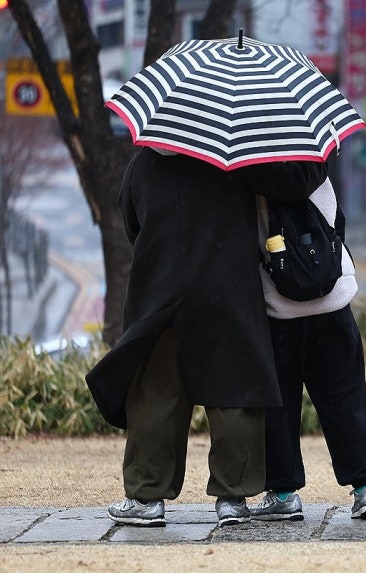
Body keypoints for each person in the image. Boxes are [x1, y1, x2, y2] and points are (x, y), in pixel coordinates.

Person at [86, 148, 327, 527]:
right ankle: (233, 498)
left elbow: (129, 218)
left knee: (156, 392)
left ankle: (147, 497)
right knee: (235, 389)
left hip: (159, 287)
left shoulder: (145, 160)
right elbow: (284, 189)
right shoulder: (236, 157)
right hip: (227, 284)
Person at [250, 178, 366, 522]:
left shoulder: (253, 180)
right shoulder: (316, 171)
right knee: (345, 397)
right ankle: (365, 486)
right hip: (334, 302)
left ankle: (283, 494)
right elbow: (336, 225)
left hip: (279, 309)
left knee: (280, 403)